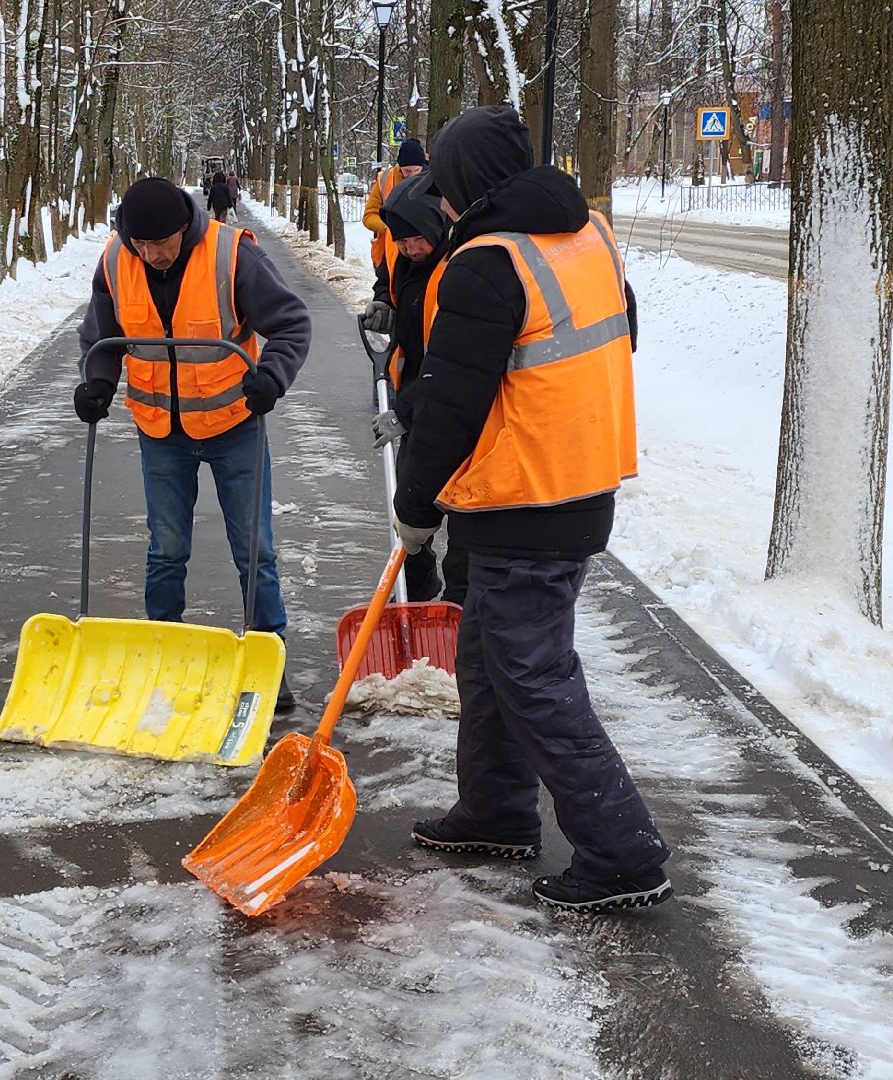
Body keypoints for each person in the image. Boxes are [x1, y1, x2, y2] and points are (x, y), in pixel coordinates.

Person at [393, 105, 671, 913]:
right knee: (487, 661)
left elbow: (453, 403)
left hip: (527, 495)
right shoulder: (590, 235)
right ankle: (495, 809)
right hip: (572, 481)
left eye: (447, 188)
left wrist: (415, 507)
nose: (441, 206)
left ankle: (624, 854)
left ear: (469, 184)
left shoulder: (487, 261)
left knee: (536, 677)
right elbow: (619, 334)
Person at [76, 177, 314, 709]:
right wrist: (97, 380)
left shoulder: (232, 255)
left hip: (234, 423)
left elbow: (293, 324)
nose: (151, 255)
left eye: (161, 244)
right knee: (166, 549)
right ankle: (164, 652)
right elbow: (101, 333)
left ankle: (268, 664)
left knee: (254, 550)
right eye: (141, 244)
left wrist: (271, 377)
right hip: (160, 430)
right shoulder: (117, 259)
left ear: (185, 229)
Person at [361, 173, 463, 605]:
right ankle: (419, 600)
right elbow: (392, 288)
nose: (409, 249)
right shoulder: (405, 261)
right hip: (417, 399)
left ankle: (459, 606)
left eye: (417, 239)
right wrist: (385, 304)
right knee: (409, 515)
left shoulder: (462, 268)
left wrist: (405, 409)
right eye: (401, 242)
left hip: (457, 407)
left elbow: (454, 362)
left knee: (459, 512)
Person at [363, 138, 429, 271]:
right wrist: (390, 228)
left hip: (424, 254)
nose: (411, 175)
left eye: (416, 170)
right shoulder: (386, 180)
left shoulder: (434, 179)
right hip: (389, 255)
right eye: (407, 171)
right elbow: (369, 216)